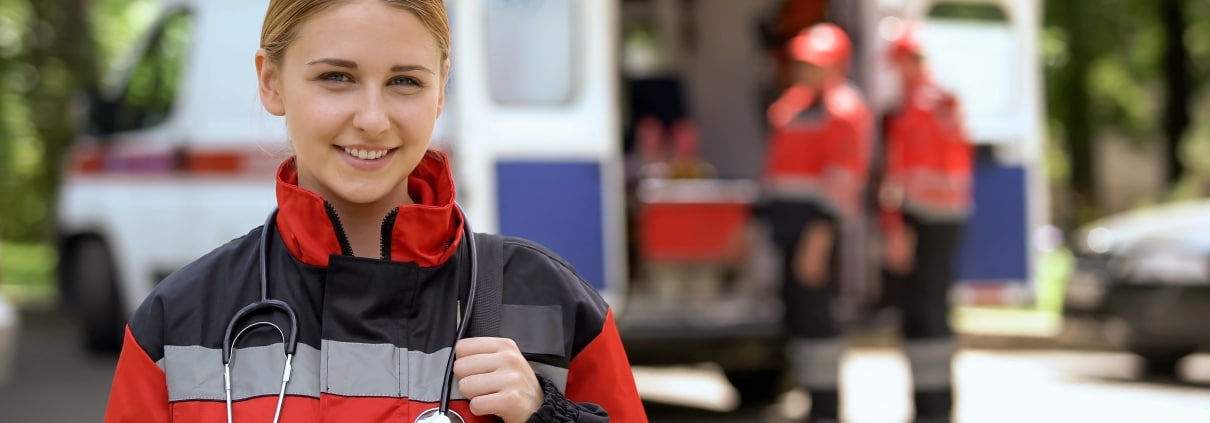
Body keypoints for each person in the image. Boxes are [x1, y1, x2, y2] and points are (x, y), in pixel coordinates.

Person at [102, 1, 646, 422]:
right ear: (271, 81)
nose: (372, 118)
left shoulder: (553, 302)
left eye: (404, 81)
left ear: (441, 91)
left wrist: (549, 414)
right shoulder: (176, 324)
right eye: (336, 77)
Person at [759, 23, 872, 423]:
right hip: (788, 228)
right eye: (803, 62)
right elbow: (778, 171)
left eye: (814, 63)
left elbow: (844, 180)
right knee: (797, 318)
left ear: (838, 65)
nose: (806, 70)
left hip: (815, 231)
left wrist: (819, 238)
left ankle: (826, 409)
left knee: (817, 319)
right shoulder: (792, 105)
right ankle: (811, 401)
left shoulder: (843, 108)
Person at [879, 21, 973, 423]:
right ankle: (934, 404)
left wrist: (894, 228)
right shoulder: (946, 101)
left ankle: (930, 408)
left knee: (923, 313)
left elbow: (897, 177)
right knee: (932, 311)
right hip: (947, 219)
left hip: (920, 220)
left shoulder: (913, 108)